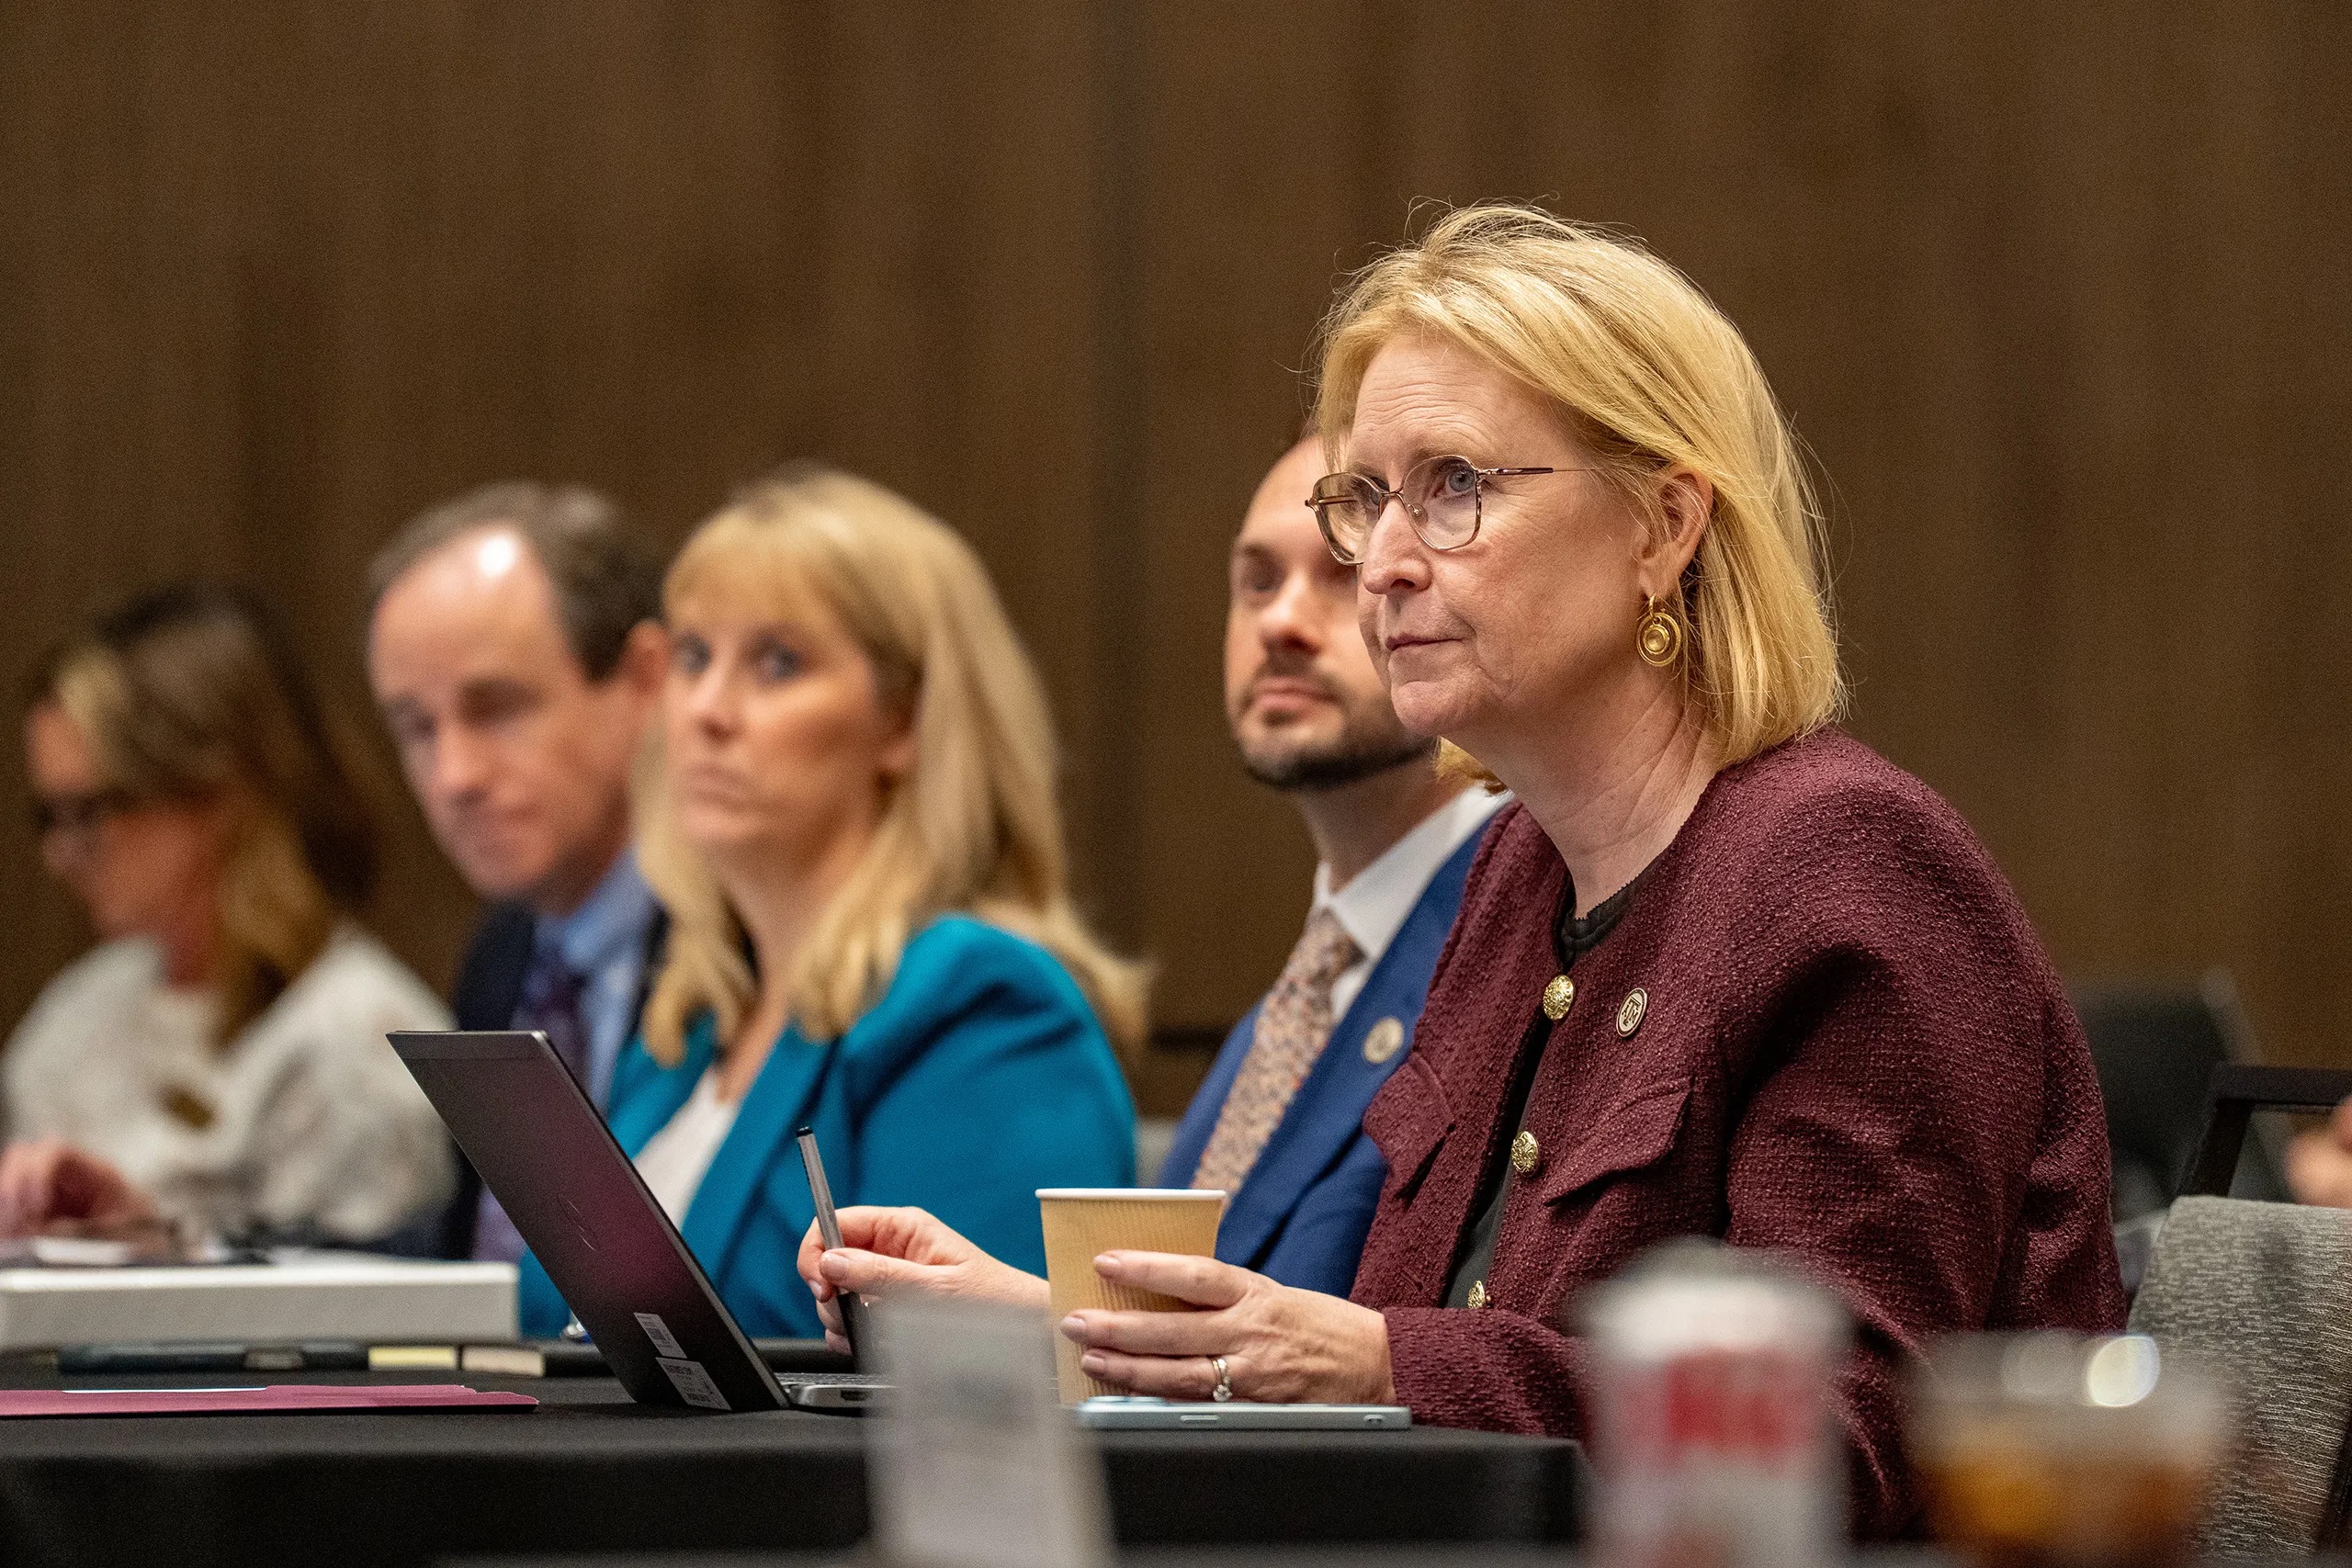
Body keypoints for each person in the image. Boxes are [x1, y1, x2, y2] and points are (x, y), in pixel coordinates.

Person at [798, 207, 2124, 1535]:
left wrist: (1375, 1361)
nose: (1379, 562)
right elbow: (1395, 1353)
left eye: (1453, 486)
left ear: (1664, 523)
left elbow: (1847, 1434)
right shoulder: (1511, 873)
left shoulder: (1845, 863)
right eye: (1364, 497)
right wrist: (1061, 1328)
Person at [516, 463, 1143, 1337]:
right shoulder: (688, 1027)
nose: (706, 709)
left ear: (901, 722)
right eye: (694, 657)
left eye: (777, 663)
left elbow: (971, 1402)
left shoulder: (981, 1005)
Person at [1, 583, 451, 1245]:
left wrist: (159, 1249)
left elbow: (336, 1327)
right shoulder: (81, 1008)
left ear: (216, 792)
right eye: (50, 816)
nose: (59, 855)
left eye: (89, 813)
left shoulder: (358, 1041)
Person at [1159, 434, 1505, 1294]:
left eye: (1341, 570)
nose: (1280, 622)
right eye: (1258, 580)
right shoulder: (1296, 996)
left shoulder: (1519, 930)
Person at [367, 483, 668, 1259]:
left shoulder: (752, 951)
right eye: (416, 728)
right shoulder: (507, 952)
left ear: (645, 681)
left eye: (496, 708)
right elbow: (475, 1260)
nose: (454, 775)